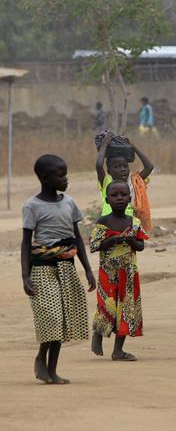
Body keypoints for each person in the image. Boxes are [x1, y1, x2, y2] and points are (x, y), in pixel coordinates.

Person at [21, 155, 96, 384]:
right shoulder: (32, 206)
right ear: (45, 178)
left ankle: (50, 369)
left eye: (66, 173)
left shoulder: (69, 203)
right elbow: (26, 242)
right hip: (42, 269)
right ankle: (43, 362)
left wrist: (88, 270)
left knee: (62, 320)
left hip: (66, 266)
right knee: (51, 318)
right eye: (61, 174)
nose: (66, 178)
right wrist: (25, 276)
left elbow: (77, 239)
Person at [90, 181, 146, 361]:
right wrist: (111, 241)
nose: (119, 198)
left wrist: (131, 241)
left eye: (123, 195)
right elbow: (94, 246)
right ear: (107, 200)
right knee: (106, 305)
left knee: (126, 307)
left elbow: (141, 245)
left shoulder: (134, 222)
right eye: (114, 196)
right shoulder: (103, 222)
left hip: (128, 273)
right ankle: (98, 334)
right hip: (108, 272)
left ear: (129, 198)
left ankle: (118, 350)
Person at [96, 132, 154, 231]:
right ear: (109, 171)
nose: (122, 169)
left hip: (128, 223)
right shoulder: (107, 183)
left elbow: (149, 167)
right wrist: (104, 144)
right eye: (117, 167)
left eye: (125, 166)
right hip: (109, 224)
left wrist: (134, 147)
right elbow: (99, 165)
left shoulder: (134, 182)